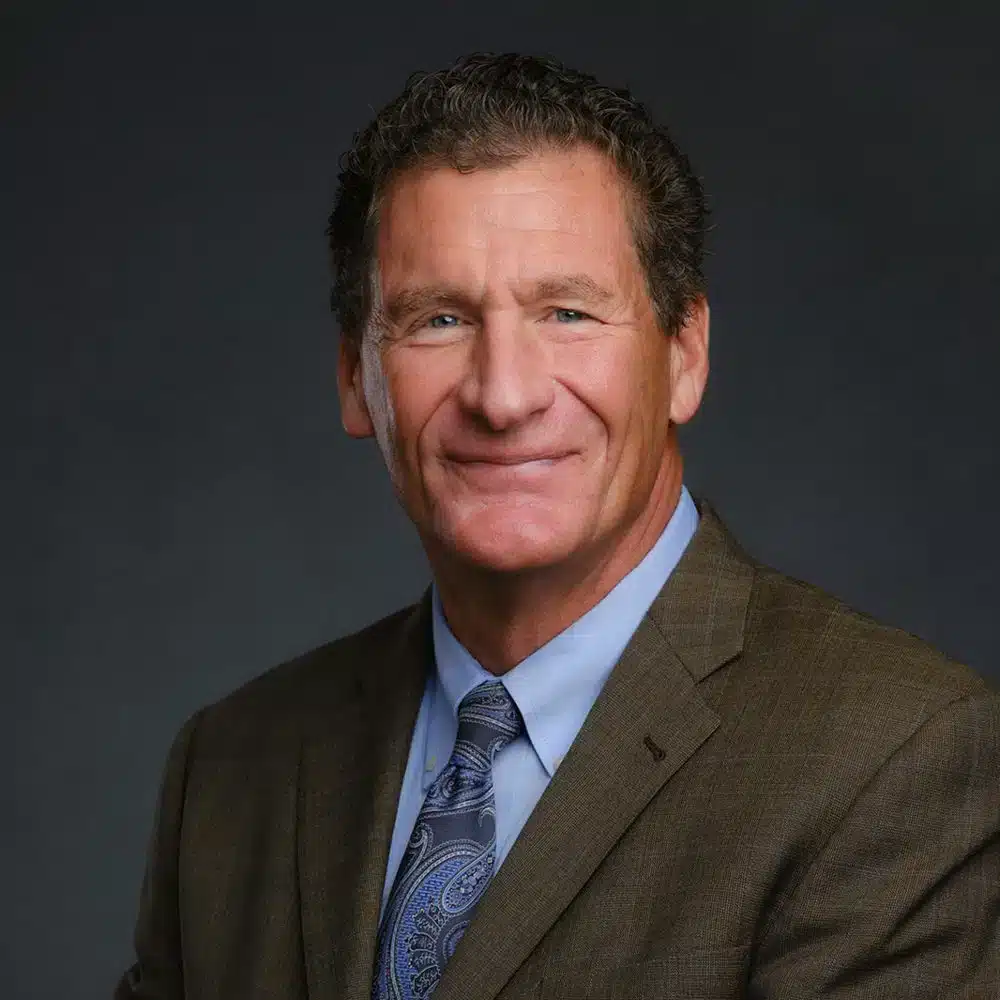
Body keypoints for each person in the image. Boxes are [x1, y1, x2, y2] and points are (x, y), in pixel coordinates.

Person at [116, 52, 999, 999]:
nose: (504, 395)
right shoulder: (232, 765)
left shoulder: (895, 756)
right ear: (354, 379)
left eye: (568, 312)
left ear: (685, 353)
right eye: (440, 320)